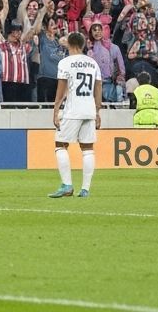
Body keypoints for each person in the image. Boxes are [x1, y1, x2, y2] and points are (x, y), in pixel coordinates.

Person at [49, 31, 102, 199]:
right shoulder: (92, 63)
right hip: (89, 110)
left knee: (60, 144)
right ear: (83, 45)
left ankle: (67, 185)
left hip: (73, 110)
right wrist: (98, 111)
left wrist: (56, 109)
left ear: (69, 44)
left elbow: (61, 89)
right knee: (87, 149)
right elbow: (98, 88)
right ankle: (85, 189)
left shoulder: (65, 63)